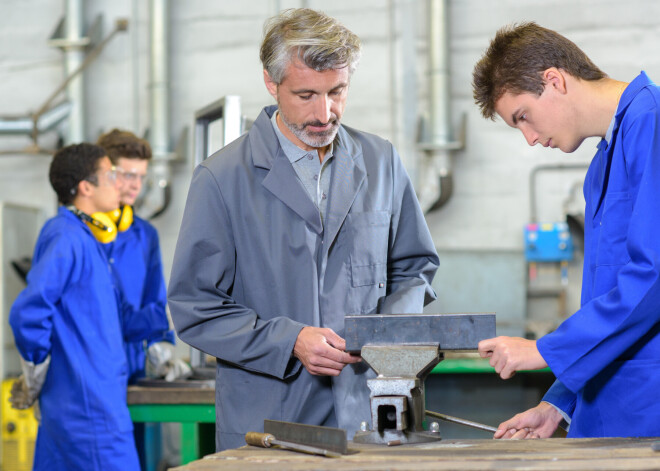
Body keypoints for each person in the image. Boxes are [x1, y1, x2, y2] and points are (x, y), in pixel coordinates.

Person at [168, 8, 439, 451]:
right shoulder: (222, 179)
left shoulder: (380, 161)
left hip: (370, 412)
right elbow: (194, 306)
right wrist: (289, 339)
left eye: (337, 91)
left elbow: (415, 267)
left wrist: (384, 335)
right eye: (306, 94)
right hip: (270, 419)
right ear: (271, 83)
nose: (324, 112)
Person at [472, 22, 660, 438]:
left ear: (553, 80)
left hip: (647, 413)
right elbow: (606, 297)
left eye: (524, 117)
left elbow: (654, 277)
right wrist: (559, 400)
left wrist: (544, 348)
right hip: (609, 411)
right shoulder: (602, 165)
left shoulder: (654, 124)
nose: (530, 139)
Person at [8, 143, 165, 470]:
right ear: (86, 187)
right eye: (111, 176)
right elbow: (29, 311)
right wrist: (36, 366)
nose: (119, 184)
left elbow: (119, 318)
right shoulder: (66, 237)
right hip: (88, 408)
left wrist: (175, 316)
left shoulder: (90, 239)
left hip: (92, 401)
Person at [97, 129, 188, 384]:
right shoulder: (79, 234)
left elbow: (154, 300)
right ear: (105, 172)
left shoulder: (144, 235)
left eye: (141, 176)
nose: (137, 185)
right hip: (88, 368)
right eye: (128, 175)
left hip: (132, 370)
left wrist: (162, 346)